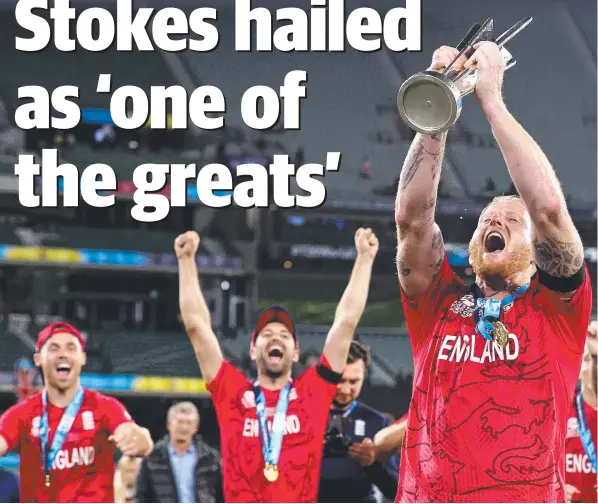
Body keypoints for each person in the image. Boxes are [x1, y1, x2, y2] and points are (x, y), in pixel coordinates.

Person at [394, 42, 593, 503]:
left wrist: (492, 100)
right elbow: (411, 219)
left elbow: (547, 207)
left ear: (536, 248)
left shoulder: (559, 309)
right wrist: (439, 104)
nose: (493, 222)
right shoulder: (437, 302)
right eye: (486, 219)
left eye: (510, 220)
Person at [176, 227, 379, 502]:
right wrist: (186, 262)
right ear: (252, 349)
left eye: (284, 335)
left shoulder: (314, 390)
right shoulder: (233, 392)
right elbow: (197, 327)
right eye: (267, 335)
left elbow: (345, 322)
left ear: (295, 352)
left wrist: (364, 260)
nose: (276, 339)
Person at [0, 322, 153, 503]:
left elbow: (135, 437)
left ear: (83, 357)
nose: (63, 354)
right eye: (54, 348)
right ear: (38, 359)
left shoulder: (105, 407)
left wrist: (140, 440)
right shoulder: (21, 414)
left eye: (71, 348)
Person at [318, 341, 398, 503]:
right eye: (340, 380)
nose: (346, 389)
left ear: (364, 377)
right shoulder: (301, 415)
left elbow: (394, 490)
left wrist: (372, 462)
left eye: (354, 382)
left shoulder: (377, 422)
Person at [135, 401, 222, 503]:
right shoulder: (153, 458)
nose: (184, 427)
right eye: (180, 422)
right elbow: (141, 496)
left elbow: (220, 495)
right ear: (169, 424)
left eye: (189, 422)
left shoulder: (210, 459)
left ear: (196, 427)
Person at [564, 322, 597, 503]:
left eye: (595, 359)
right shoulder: (561, 406)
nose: (588, 368)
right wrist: (557, 485)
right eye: (585, 359)